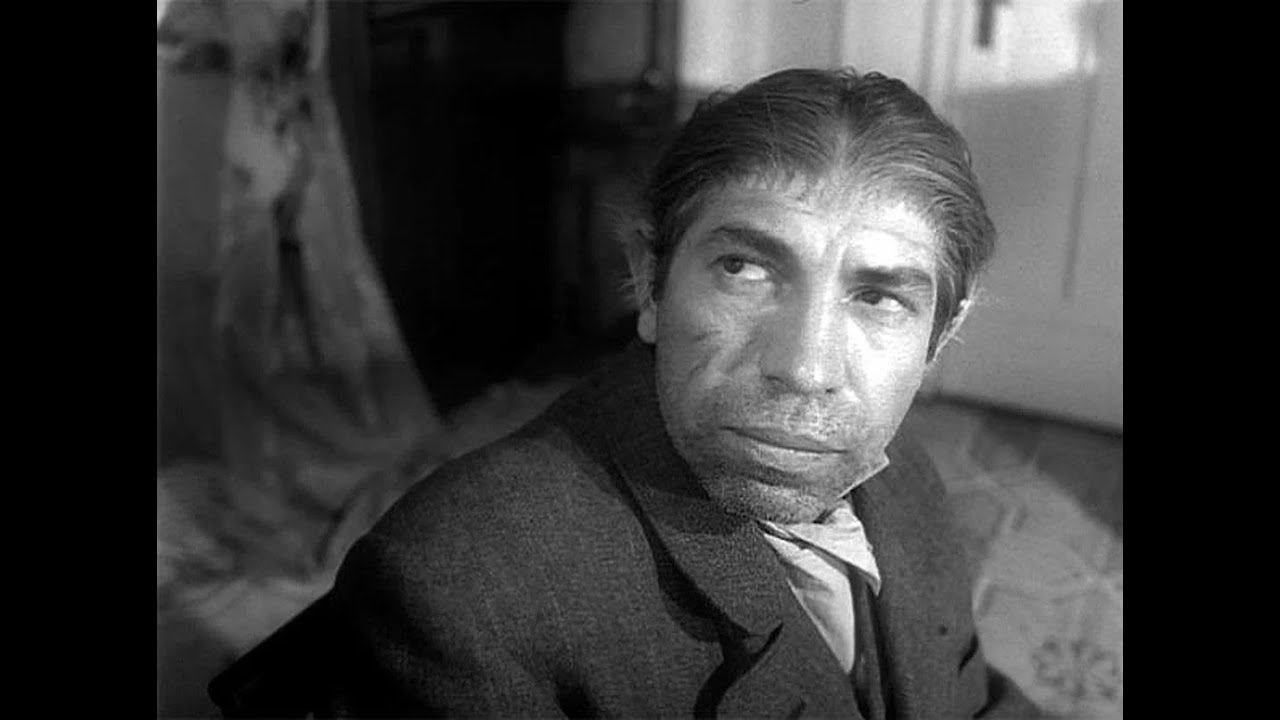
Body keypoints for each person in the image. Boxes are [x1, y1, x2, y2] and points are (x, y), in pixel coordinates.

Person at [323, 67, 1041, 718]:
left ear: (941, 335)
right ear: (650, 282)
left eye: (880, 298)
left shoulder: (903, 474)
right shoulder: (461, 593)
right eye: (743, 269)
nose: (804, 368)